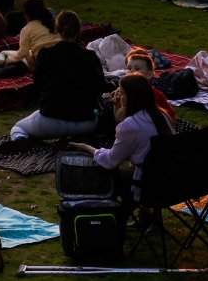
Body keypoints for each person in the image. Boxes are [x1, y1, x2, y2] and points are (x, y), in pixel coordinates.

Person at [70, 74, 175, 206]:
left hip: (148, 185)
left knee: (105, 173)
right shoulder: (162, 114)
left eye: (122, 93)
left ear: (131, 97)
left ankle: (117, 217)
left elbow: (110, 161)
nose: (119, 96)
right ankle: (148, 219)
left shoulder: (131, 125)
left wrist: (86, 148)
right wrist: (118, 107)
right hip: (172, 179)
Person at [10, 10, 106, 138]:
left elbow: (38, 85)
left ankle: (22, 143)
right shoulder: (90, 56)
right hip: (86, 122)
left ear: (57, 29)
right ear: (78, 31)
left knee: (18, 128)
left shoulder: (45, 54)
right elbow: (100, 87)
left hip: (50, 120)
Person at [15, 0, 57, 68]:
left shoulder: (27, 29)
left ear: (26, 14)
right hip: (63, 56)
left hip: (45, 63)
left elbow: (22, 53)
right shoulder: (54, 23)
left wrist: (9, 56)